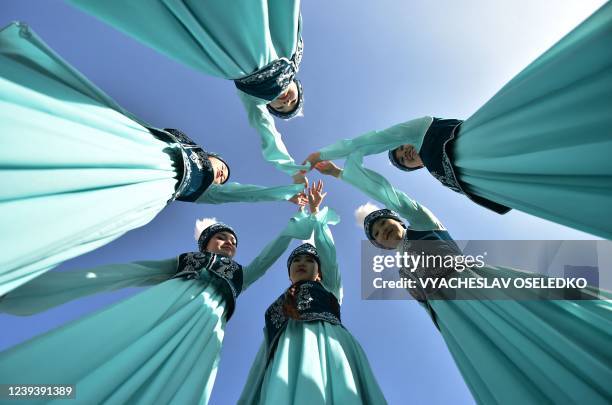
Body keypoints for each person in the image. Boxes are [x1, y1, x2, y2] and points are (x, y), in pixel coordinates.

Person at [0, 22, 306, 295]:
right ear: (208, 155)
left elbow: (248, 195)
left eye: (224, 177)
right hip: (140, 148)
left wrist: (287, 193)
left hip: (153, 187)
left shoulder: (202, 192)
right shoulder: (177, 142)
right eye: (221, 168)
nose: (222, 175)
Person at [315, 157, 612, 403]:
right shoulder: (403, 270)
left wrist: (340, 174)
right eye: (377, 234)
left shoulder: (422, 224)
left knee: (536, 324)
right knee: (501, 364)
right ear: (379, 245)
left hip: (473, 284)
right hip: (456, 320)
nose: (383, 231)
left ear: (398, 220)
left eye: (384, 223)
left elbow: (389, 193)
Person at [304, 1, 612, 238]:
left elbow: (371, 140)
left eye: (401, 148)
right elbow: (386, 193)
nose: (405, 153)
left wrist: (328, 156)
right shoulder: (440, 173)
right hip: (497, 184)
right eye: (404, 160)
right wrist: (340, 174)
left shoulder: (423, 127)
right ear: (417, 167)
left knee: (559, 130)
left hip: (488, 144)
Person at [0, 201, 326, 404]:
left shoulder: (240, 274)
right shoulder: (186, 260)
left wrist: (296, 222)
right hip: (167, 300)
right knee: (111, 344)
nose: (229, 243)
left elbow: (269, 257)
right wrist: (63, 285)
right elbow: (135, 272)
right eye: (222, 237)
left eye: (233, 241)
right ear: (205, 242)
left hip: (206, 321)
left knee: (181, 376)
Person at [67, 0, 310, 179]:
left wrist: (292, 169)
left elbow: (269, 136)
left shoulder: (253, 97)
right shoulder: (291, 47)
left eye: (279, 107)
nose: (283, 101)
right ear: (297, 86)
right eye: (291, 102)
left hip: (227, 50)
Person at [238, 181, 387, 404]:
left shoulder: (329, 288)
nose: (302, 263)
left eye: (309, 261)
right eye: (296, 260)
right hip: (285, 353)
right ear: (289, 273)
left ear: (319, 271)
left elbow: (329, 255)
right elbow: (265, 349)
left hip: (328, 344)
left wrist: (316, 213)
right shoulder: (278, 305)